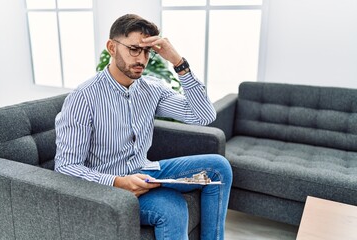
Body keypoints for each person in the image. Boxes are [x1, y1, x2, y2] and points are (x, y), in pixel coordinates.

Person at [54, 13, 232, 240]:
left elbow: (203, 115)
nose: (142, 59)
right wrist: (118, 182)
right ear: (112, 47)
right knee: (173, 208)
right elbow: (66, 167)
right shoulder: (83, 98)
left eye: (147, 51)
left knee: (219, 167)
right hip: (108, 186)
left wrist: (178, 62)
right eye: (134, 49)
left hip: (144, 171)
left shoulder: (152, 89)